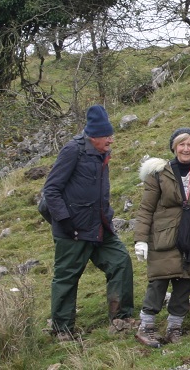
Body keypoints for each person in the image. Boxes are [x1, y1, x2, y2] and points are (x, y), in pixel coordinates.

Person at [43, 105, 134, 341]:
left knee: (120, 261)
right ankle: (62, 330)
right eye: (107, 136)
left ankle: (121, 318)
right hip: (72, 229)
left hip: (100, 226)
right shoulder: (72, 150)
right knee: (66, 277)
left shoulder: (102, 152)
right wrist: (64, 222)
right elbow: (51, 190)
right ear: (93, 135)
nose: (111, 140)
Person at [133, 128, 190, 347]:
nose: (186, 149)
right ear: (174, 147)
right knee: (159, 281)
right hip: (164, 236)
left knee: (185, 282)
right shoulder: (159, 173)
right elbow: (145, 209)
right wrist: (140, 239)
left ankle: (174, 329)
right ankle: (146, 327)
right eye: (182, 144)